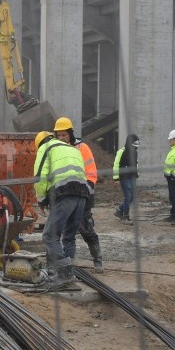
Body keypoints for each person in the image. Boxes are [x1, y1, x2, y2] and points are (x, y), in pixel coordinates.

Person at [33, 130, 90, 283]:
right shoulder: (72, 148)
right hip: (82, 195)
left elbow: (40, 177)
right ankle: (67, 272)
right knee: (69, 237)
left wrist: (41, 199)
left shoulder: (46, 148)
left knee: (50, 235)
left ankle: (64, 274)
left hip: (64, 193)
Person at [53, 116, 103, 272]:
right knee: (67, 231)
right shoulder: (56, 150)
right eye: (58, 135)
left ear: (70, 133)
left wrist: (85, 191)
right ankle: (67, 264)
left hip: (83, 195)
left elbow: (91, 172)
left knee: (86, 228)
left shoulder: (82, 148)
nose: (61, 138)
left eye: (64, 135)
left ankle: (97, 259)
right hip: (65, 196)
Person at [113, 134, 139, 222]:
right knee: (127, 196)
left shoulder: (135, 152)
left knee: (132, 197)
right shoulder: (121, 152)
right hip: (124, 177)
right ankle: (126, 216)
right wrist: (116, 178)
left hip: (132, 176)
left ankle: (119, 210)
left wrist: (136, 173)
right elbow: (116, 165)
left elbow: (136, 163)